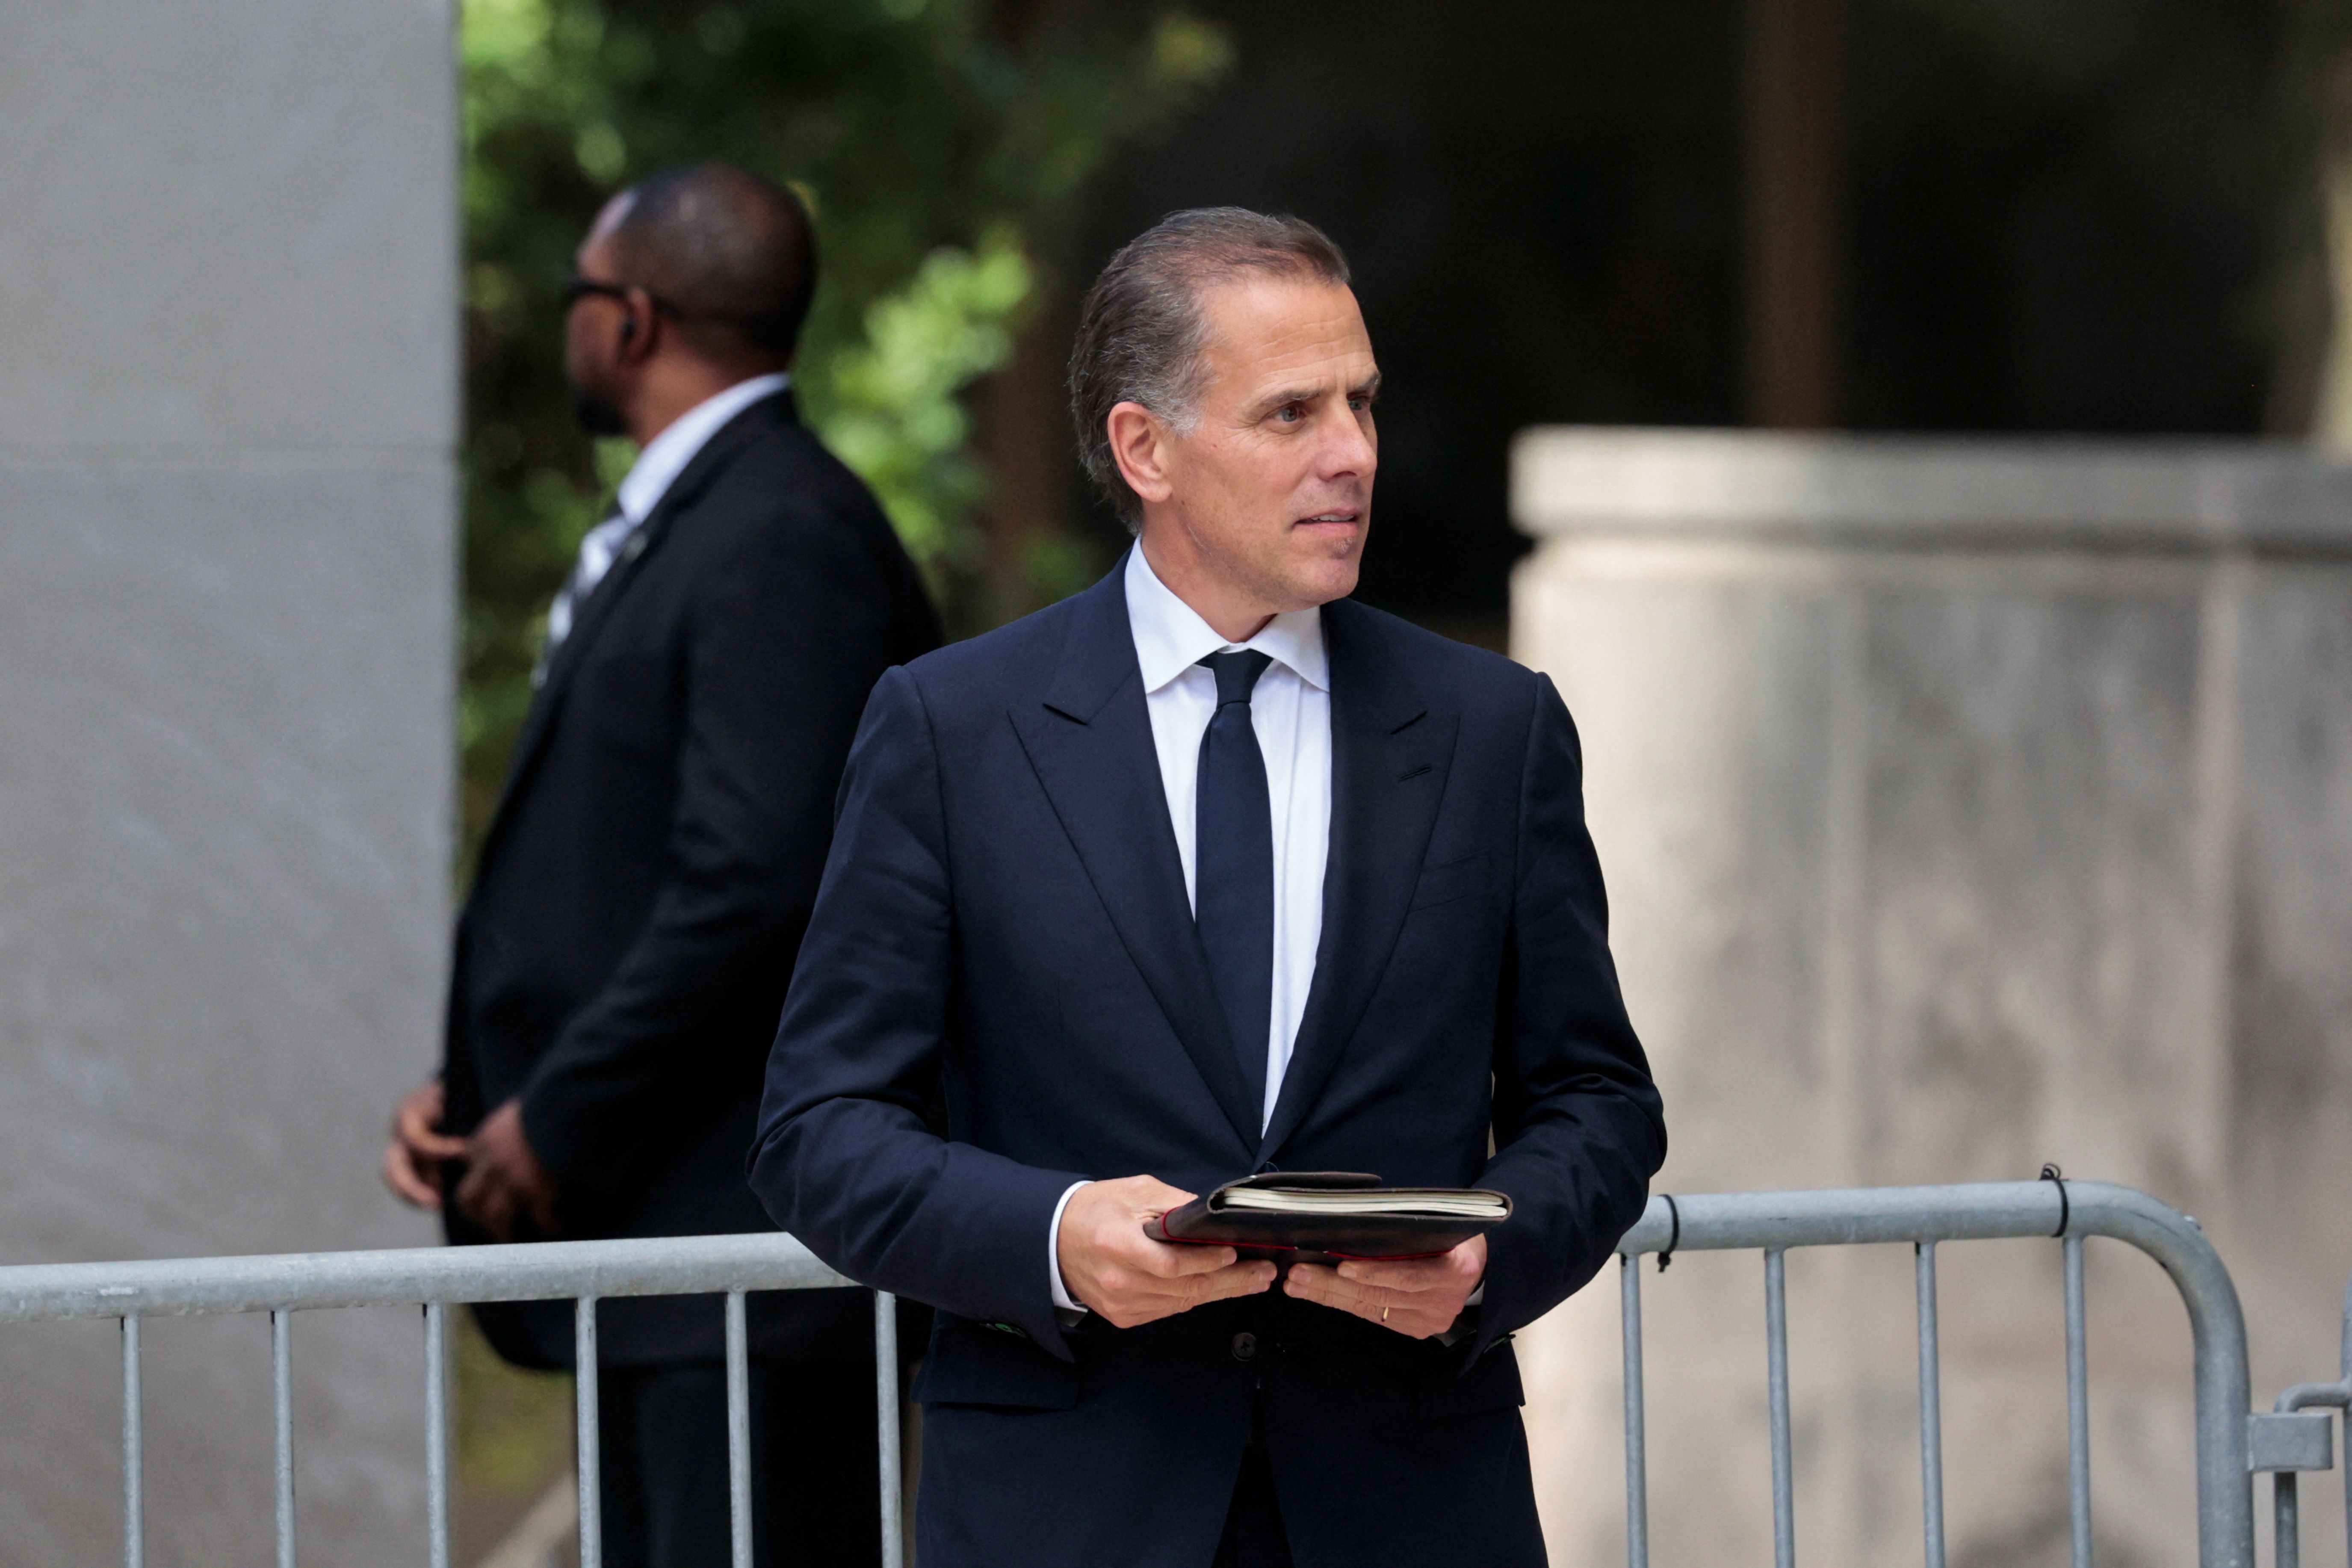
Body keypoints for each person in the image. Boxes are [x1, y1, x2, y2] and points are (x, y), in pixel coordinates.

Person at [748, 207, 1665, 1568]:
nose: (1352, 452)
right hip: (1066, 1507)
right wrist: (1053, 1237)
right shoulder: (952, 729)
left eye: (1360, 402)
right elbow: (819, 1127)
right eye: (1291, 412)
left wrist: (1488, 1258)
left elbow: (1596, 1100)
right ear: (1145, 447)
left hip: (1408, 1504)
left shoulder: (1490, 728)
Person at [383, 162, 940, 1568]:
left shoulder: (780, 533)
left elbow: (752, 876)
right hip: (664, 1266)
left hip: (746, 1271)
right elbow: (629, 869)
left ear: (630, 318)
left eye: (577, 293)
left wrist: (558, 1114)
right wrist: (488, 1091)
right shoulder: (710, 525)